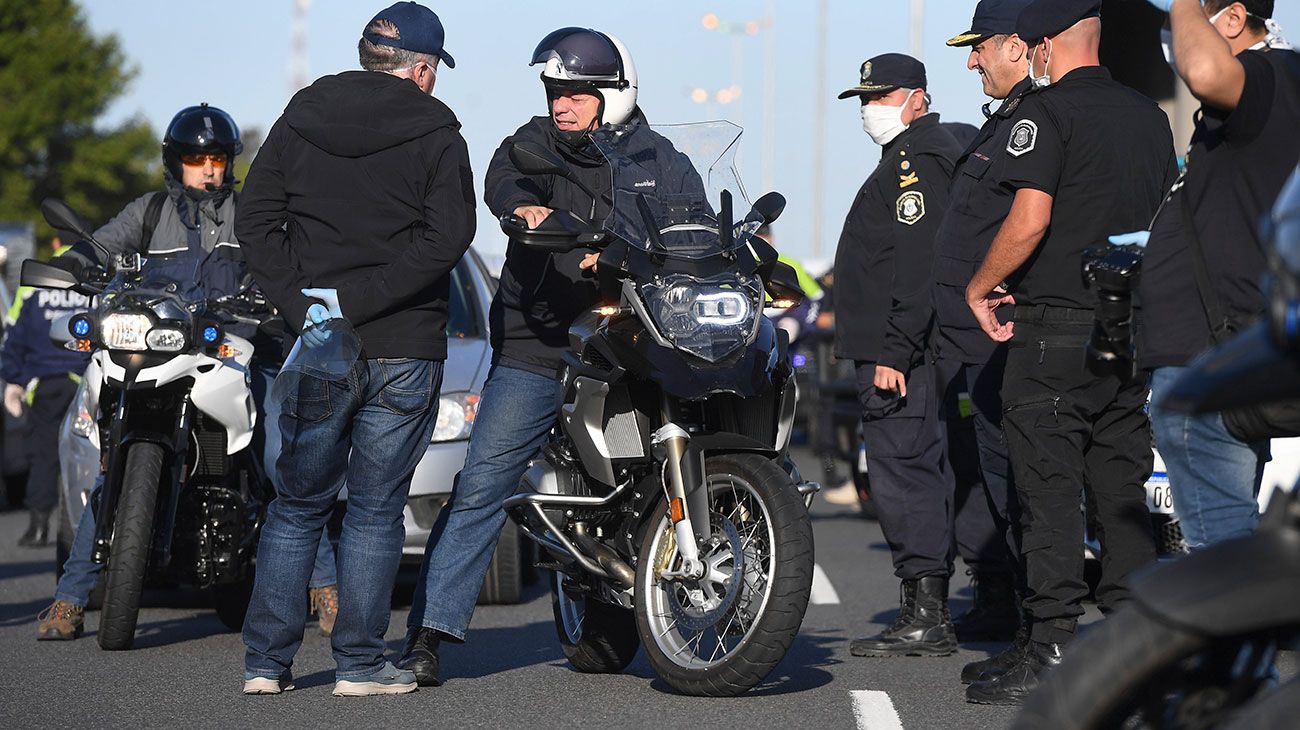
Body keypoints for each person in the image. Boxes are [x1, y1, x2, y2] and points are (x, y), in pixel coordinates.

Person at [399, 26, 699, 687]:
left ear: (613, 96)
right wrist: (528, 210)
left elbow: (695, 222)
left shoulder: (660, 157)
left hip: (633, 335)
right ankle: (427, 635)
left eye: (575, 92)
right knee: (484, 482)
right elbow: (503, 183)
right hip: (543, 340)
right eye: (554, 91)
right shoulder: (531, 144)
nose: (561, 103)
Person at [236, 1, 475, 697]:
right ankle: (360, 666)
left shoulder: (301, 116)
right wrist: (364, 302)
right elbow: (448, 237)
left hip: (315, 347)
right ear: (423, 70)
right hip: (403, 344)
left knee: (296, 504)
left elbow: (255, 221)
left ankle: (264, 665)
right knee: (373, 509)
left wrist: (302, 305)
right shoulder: (438, 131)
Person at [32, 104, 340, 641]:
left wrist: (284, 290)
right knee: (113, 471)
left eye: (217, 158)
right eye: (198, 158)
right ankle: (69, 599)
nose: (210, 169)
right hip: (163, 354)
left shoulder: (253, 214)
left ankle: (325, 584)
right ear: (176, 162)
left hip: (241, 350)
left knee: (278, 454)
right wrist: (76, 264)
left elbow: (290, 263)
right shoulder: (148, 212)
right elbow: (101, 245)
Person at [961, 0, 1177, 705]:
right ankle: (1134, 642)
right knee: (1119, 487)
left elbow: (1030, 220)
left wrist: (983, 285)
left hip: (1056, 327)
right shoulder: (1149, 116)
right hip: (1128, 324)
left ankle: (1051, 643)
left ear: (1045, 45)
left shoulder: (1046, 114)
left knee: (1048, 489)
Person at [1134, 0, 1299, 551]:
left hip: (1209, 354)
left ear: (1230, 20)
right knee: (1239, 543)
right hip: (1235, 342)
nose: (1172, 36)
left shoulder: (1263, 78)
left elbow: (1204, 72)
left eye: (1181, 21)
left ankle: (1236, 635)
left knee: (1220, 558)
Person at [833, 53, 964, 659]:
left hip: (901, 354)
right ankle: (962, 601)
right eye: (863, 98)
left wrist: (896, 349)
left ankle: (925, 614)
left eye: (879, 96)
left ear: (916, 97)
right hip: (909, 346)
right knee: (932, 470)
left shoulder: (915, 161)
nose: (868, 109)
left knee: (904, 473)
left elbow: (919, 263)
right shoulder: (907, 158)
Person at [933, 0, 1036, 660]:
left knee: (1023, 486)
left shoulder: (1034, 123)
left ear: (1020, 46)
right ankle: (1014, 613)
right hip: (972, 342)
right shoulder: (998, 125)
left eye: (981, 46)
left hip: (1003, 336)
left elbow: (1033, 224)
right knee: (993, 483)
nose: (971, 59)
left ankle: (1039, 632)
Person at [3, 239, 92, 548]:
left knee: (43, 456)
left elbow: (15, 335)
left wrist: (14, 380)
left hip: (47, 383)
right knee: (91, 456)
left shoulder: (35, 286)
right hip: (89, 382)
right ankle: (90, 531)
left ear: (54, 244)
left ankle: (39, 526)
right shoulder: (97, 283)